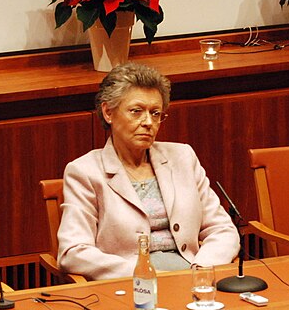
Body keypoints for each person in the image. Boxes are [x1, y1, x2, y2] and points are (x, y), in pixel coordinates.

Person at [57, 62, 240, 280]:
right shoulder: (84, 172)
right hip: (129, 285)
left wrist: (202, 271)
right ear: (108, 112)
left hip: (192, 277)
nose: (148, 122)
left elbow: (222, 229)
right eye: (136, 111)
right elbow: (73, 252)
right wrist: (142, 274)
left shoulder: (182, 157)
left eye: (155, 113)